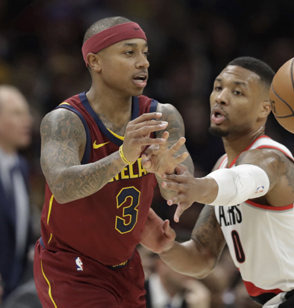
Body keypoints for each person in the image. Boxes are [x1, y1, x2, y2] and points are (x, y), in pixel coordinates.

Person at [142, 57, 294, 307]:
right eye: (218, 87)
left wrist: (195, 187)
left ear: (264, 108)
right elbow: (201, 258)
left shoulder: (271, 158)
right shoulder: (223, 166)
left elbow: (242, 182)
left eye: (237, 92)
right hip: (285, 300)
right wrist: (164, 246)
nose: (221, 97)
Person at [33, 16, 193, 308]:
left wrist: (168, 173)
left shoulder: (162, 116)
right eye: (129, 52)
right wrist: (122, 157)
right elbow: (63, 187)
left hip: (126, 265)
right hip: (71, 266)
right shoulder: (66, 121)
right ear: (95, 61)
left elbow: (178, 195)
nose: (143, 62)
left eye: (145, 52)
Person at [0, 85, 33, 301]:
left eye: (27, 113)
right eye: (17, 113)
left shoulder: (21, 167)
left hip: (13, 291)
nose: (28, 120)